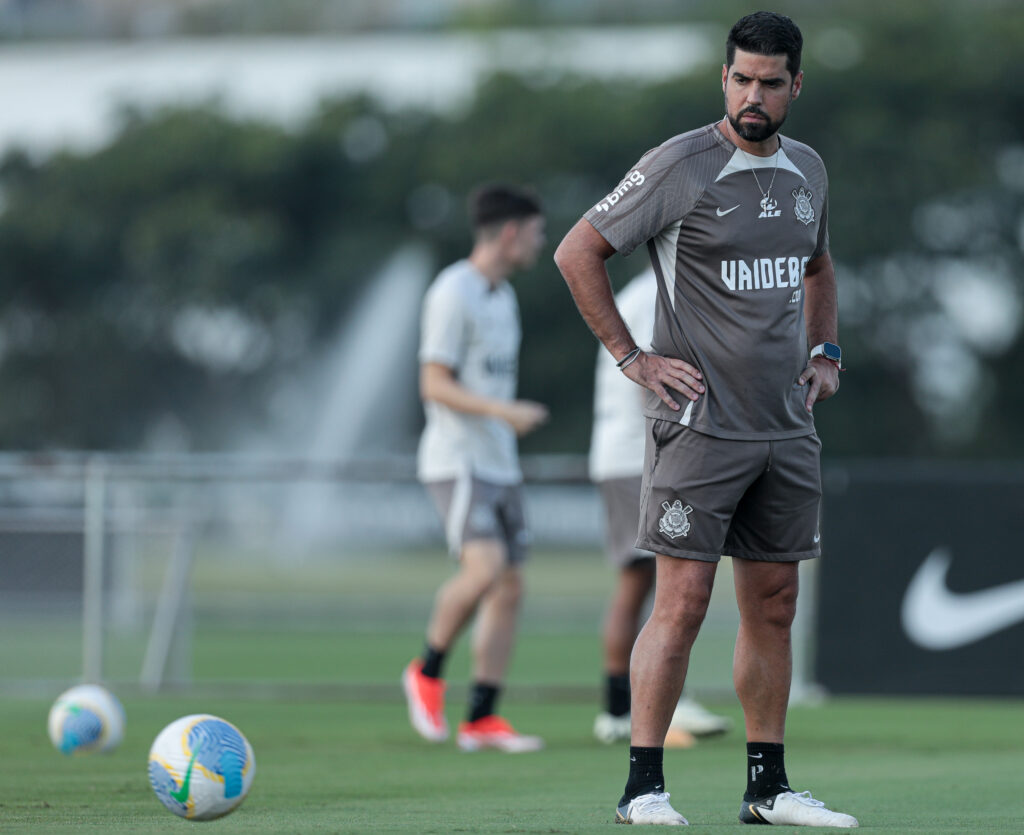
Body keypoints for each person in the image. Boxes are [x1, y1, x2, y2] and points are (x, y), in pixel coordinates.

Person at [554, 12, 858, 828]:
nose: (752, 96)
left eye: (769, 82)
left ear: (797, 85)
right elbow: (576, 250)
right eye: (740, 79)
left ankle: (768, 788)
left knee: (776, 604)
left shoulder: (808, 169)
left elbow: (819, 265)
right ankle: (642, 788)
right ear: (722, 77)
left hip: (785, 428)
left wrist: (825, 350)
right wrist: (632, 358)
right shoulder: (681, 164)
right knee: (682, 601)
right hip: (698, 428)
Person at [402, 183, 549, 753]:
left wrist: (502, 422)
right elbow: (433, 383)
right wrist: (501, 410)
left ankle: (482, 719)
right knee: (485, 569)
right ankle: (427, 670)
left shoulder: (501, 296)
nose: (539, 244)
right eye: (535, 233)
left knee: (510, 587)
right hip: (457, 462)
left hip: (499, 463)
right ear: (510, 232)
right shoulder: (452, 291)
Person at [590, 268, 732, 749]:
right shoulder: (653, 295)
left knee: (649, 580)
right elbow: (647, 378)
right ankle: (633, 707)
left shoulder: (656, 291)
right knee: (653, 578)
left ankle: (634, 704)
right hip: (637, 457)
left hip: (637, 455)